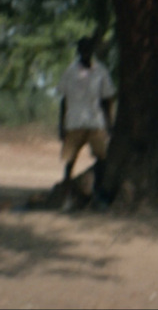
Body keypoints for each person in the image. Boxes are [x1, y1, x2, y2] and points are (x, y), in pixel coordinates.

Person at [57, 36, 117, 211]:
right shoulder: (70, 72)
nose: (86, 52)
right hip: (74, 122)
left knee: (101, 159)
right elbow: (63, 100)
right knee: (69, 161)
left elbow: (107, 100)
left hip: (95, 121)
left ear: (93, 51)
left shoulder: (101, 71)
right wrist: (60, 125)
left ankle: (98, 196)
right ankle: (67, 198)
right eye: (83, 49)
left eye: (89, 49)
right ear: (78, 51)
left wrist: (109, 124)